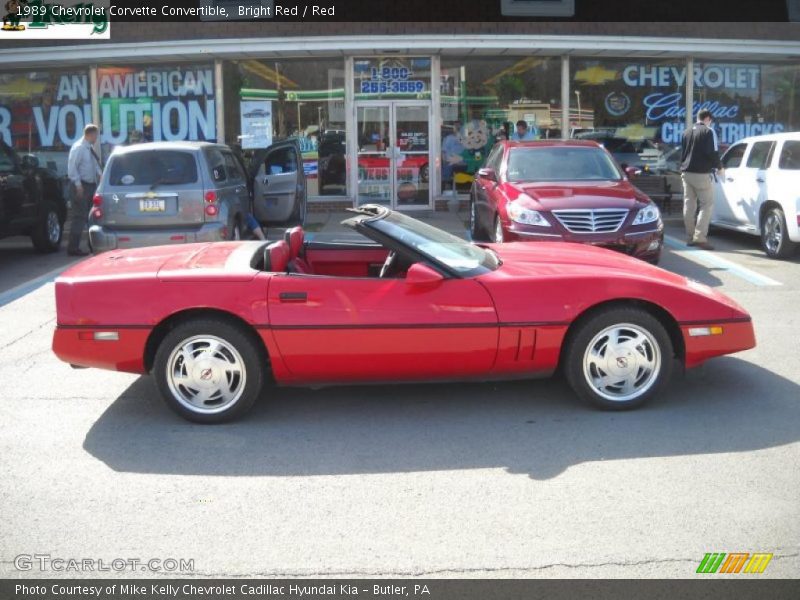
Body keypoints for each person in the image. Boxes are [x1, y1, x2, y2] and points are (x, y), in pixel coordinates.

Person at [680, 108, 722, 250]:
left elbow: (683, 153)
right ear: (707, 119)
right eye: (710, 121)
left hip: (685, 172)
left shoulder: (686, 132)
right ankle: (700, 238)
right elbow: (714, 153)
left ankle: (690, 237)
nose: (710, 123)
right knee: (706, 205)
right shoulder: (709, 131)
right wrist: (720, 168)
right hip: (701, 173)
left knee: (689, 205)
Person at [66, 124, 102, 256]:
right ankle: (73, 248)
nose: (96, 138)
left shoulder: (89, 147)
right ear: (90, 134)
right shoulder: (79, 148)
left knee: (90, 217)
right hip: (81, 186)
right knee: (79, 217)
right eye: (95, 135)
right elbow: (72, 168)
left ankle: (92, 245)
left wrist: (100, 173)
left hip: (90, 186)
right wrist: (78, 185)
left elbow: (93, 164)